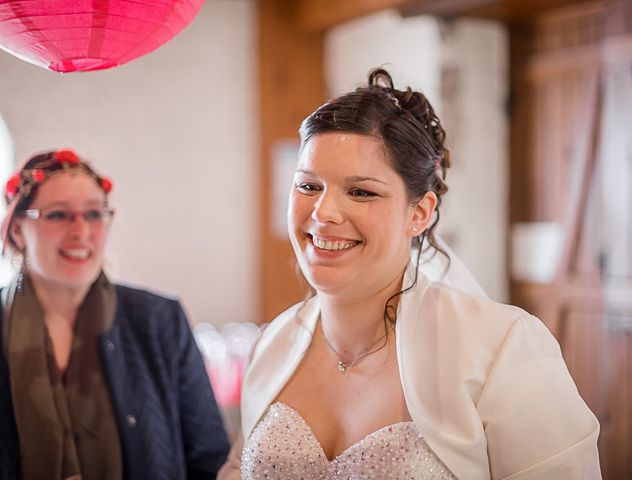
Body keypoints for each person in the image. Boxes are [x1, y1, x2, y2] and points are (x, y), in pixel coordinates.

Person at [218, 69, 601, 479]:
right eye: (308, 186)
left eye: (361, 191)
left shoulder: (502, 346)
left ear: (419, 213)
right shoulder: (271, 346)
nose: (323, 213)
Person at [0, 149, 230, 479]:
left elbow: (210, 458)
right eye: (57, 215)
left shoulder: (158, 320)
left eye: (94, 214)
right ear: (18, 230)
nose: (81, 231)